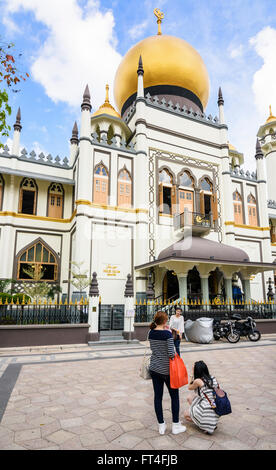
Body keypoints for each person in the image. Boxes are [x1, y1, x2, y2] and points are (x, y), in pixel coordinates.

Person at [149, 311, 187, 435]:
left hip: (154, 368)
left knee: (157, 397)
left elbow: (154, 349)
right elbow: (171, 353)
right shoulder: (167, 334)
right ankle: (175, 425)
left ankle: (161, 425)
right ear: (165, 321)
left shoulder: (151, 333)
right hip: (167, 370)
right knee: (174, 396)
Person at [184, 360, 219, 434]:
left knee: (186, 415)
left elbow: (189, 387)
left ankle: (205, 426)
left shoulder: (198, 381)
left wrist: (191, 375)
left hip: (207, 407)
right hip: (216, 406)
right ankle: (208, 421)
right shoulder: (213, 378)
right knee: (190, 398)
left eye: (193, 369)